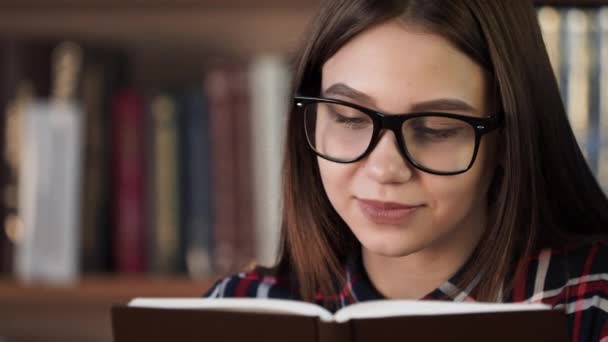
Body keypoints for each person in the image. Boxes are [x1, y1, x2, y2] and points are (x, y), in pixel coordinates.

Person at [204, 1, 608, 340]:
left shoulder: (590, 304)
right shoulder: (238, 310)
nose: (384, 169)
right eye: (348, 118)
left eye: (436, 129)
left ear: (508, 139)